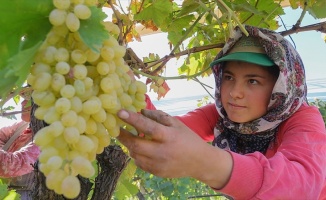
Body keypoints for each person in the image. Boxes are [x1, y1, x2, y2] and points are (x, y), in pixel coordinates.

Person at [116, 25, 326, 199]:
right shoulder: (221, 116)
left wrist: (205, 162)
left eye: (253, 81)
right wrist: (128, 90)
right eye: (229, 78)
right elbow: (160, 132)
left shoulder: (304, 119)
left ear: (281, 88)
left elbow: (301, 187)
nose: (234, 93)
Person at [0, 88, 40, 199]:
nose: (22, 103)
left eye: (29, 99)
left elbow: (8, 165)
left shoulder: (47, 137)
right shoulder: (22, 126)